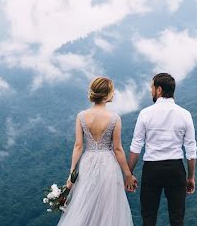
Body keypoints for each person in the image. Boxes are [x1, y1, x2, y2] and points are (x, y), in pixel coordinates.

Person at [57, 76, 137, 226]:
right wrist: (128, 175)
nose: (113, 94)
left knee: (86, 201)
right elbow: (118, 149)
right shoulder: (114, 118)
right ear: (106, 95)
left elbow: (78, 146)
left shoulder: (81, 116)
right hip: (108, 164)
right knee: (107, 205)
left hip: (87, 161)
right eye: (112, 91)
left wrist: (72, 173)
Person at [127, 73, 197, 226]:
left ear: (159, 90)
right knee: (177, 217)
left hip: (152, 169)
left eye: (152, 87)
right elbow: (191, 150)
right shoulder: (185, 114)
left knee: (148, 217)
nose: (151, 91)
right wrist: (191, 177)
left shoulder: (145, 114)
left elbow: (136, 147)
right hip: (175, 168)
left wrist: (129, 173)